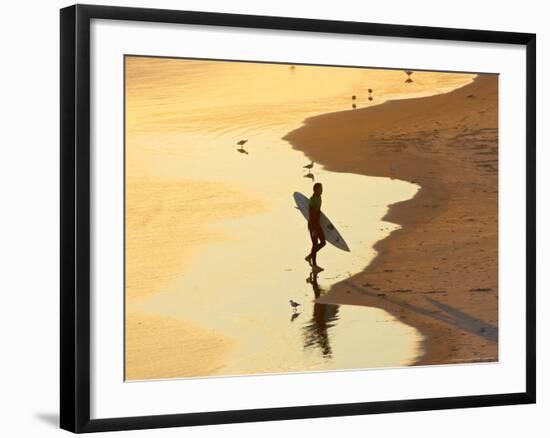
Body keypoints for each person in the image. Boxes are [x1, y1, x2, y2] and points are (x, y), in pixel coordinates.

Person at [305, 182, 326, 272]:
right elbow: (311, 215)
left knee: (323, 242)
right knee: (315, 244)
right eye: (320, 189)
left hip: (318, 224)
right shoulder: (312, 200)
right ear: (316, 189)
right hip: (313, 225)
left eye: (322, 189)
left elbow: (318, 212)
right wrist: (313, 229)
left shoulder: (319, 197)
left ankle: (309, 257)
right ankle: (314, 265)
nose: (322, 190)